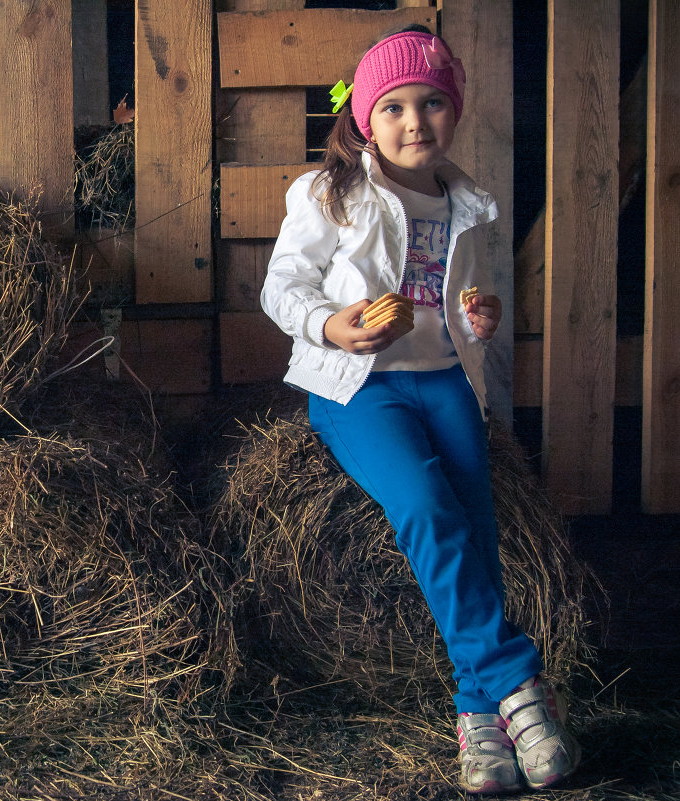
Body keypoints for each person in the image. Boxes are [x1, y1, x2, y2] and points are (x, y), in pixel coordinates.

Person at [260, 25, 581, 795]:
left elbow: (453, 295)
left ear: (454, 111)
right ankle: (516, 686)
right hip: (356, 388)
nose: (415, 122)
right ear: (366, 118)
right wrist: (332, 324)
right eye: (396, 106)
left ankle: (478, 722)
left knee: (476, 524)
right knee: (427, 507)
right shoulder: (328, 193)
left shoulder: (465, 202)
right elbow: (280, 286)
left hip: (443, 381)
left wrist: (480, 317)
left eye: (432, 103)